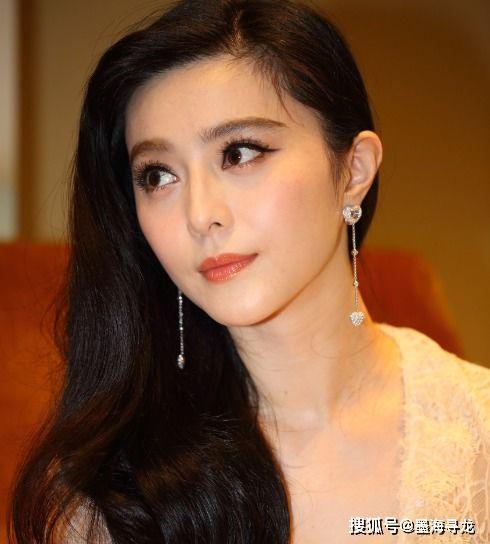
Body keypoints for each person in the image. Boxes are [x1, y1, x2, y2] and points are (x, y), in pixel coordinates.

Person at [8, 0, 490, 542]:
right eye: (158, 175)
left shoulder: (478, 432)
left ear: (353, 171)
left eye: (239, 153)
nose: (199, 215)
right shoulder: (107, 493)